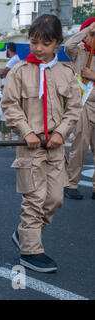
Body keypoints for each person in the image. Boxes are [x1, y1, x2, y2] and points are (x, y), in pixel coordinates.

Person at [2, 14, 82, 273]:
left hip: (56, 147)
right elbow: (10, 106)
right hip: (30, 147)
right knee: (34, 198)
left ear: (57, 43)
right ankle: (30, 251)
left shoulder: (66, 73)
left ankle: (24, 232)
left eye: (45, 44)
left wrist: (61, 132)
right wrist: (26, 132)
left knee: (55, 199)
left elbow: (74, 108)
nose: (38, 48)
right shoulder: (19, 72)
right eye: (34, 42)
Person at [63, 18, 95, 201]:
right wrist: (87, 31)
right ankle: (71, 184)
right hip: (82, 103)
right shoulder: (79, 51)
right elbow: (68, 45)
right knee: (80, 144)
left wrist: (93, 75)